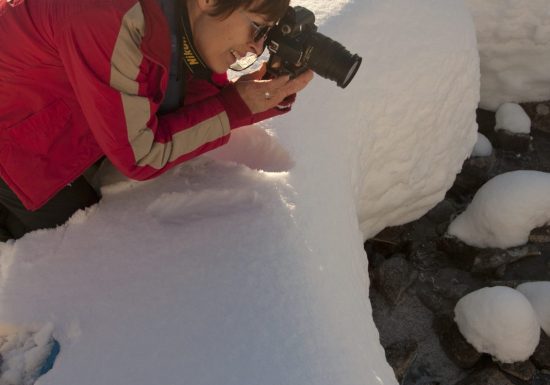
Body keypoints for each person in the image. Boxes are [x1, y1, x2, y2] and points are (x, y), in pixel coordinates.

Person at [0, 0, 313, 241]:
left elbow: (189, 88)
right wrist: (237, 107)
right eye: (257, 29)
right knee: (81, 238)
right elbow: (142, 154)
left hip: (50, 122)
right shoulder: (109, 14)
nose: (256, 48)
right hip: (14, 145)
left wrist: (259, 95)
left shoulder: (176, 16)